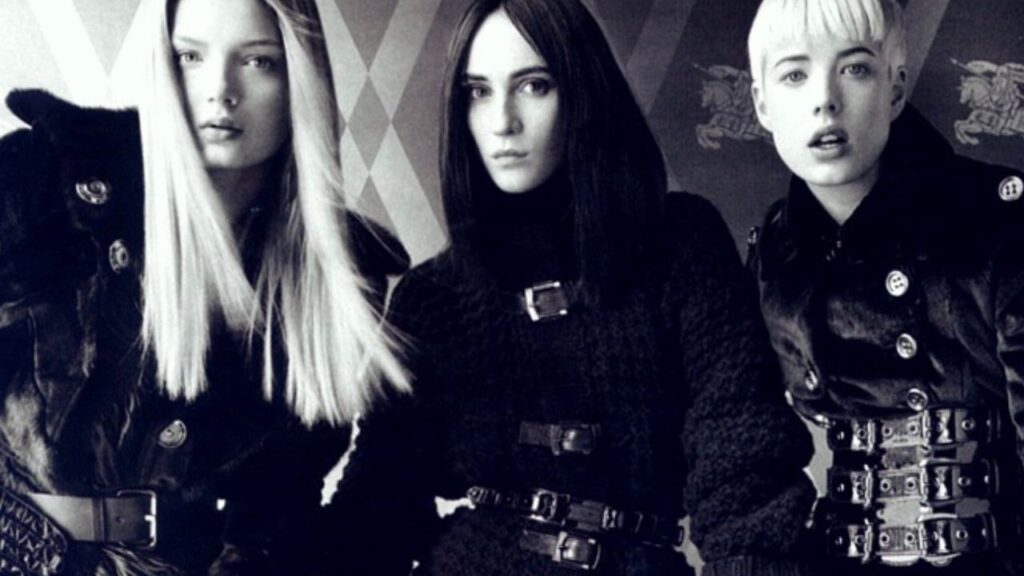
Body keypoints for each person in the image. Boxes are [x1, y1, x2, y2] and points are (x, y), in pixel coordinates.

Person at [324, 0, 817, 574]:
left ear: (582, 92)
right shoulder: (431, 298)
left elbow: (742, 457)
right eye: (478, 92)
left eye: (533, 86)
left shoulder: (681, 245)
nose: (502, 121)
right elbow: (376, 509)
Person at [0, 0, 409, 573]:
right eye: (190, 57)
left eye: (259, 61)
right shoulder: (43, 181)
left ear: (301, 79)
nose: (221, 90)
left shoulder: (335, 275)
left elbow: (277, 511)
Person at [746, 0, 1024, 573]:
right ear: (761, 104)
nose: (825, 100)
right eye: (795, 75)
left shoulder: (995, 222)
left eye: (855, 68)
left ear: (895, 89)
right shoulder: (774, 253)